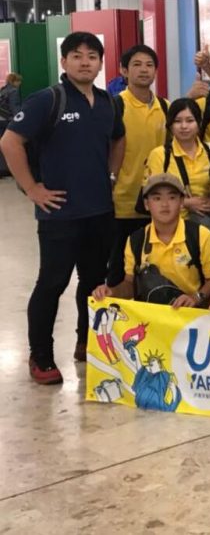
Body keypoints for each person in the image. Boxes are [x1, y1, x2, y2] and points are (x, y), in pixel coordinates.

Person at [0, 32, 124, 383]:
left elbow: (119, 137)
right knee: (52, 283)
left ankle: (88, 343)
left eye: (92, 56)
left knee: (94, 282)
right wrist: (32, 188)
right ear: (64, 61)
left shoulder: (108, 102)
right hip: (60, 214)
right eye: (77, 56)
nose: (85, 62)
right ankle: (40, 356)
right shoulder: (47, 100)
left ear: (101, 63)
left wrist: (111, 174)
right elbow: (10, 142)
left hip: (100, 210)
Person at [92, 173, 210, 309]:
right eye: (157, 198)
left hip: (192, 316)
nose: (165, 204)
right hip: (152, 318)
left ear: (182, 202)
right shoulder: (136, 240)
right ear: (146, 204)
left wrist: (196, 297)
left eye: (172, 197)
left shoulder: (202, 236)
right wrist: (112, 291)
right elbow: (130, 284)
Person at [108, 45, 168, 288]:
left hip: (158, 205)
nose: (144, 70)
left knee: (155, 269)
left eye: (149, 65)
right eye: (137, 64)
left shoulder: (165, 107)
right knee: (119, 269)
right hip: (122, 203)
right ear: (124, 70)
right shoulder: (115, 106)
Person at [143, 98, 210, 233]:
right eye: (178, 121)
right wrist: (187, 203)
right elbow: (152, 196)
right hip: (170, 225)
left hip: (206, 225)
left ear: (199, 123)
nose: (184, 126)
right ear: (170, 125)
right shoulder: (160, 155)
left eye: (190, 121)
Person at [0, 72, 23, 177]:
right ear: (15, 81)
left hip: (0, 120)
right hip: (7, 121)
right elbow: (15, 108)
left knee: (2, 144)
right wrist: (19, 120)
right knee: (10, 145)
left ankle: (1, 169)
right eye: (19, 81)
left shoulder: (3, 90)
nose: (20, 83)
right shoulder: (13, 91)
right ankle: (8, 169)